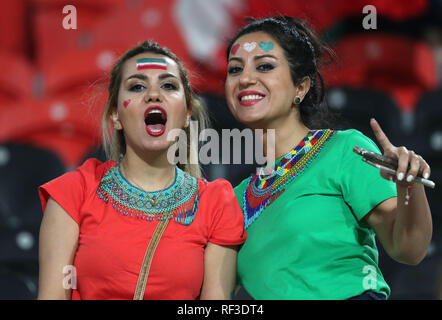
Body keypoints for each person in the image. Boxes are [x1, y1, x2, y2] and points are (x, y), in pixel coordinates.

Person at [224, 16, 433, 300]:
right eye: (235, 69)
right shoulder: (234, 198)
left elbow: (409, 249)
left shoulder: (344, 150)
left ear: (301, 87)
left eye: (264, 66)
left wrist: (409, 187)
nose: (245, 78)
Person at [37, 40, 246, 300]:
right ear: (115, 114)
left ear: (186, 113)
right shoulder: (73, 192)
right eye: (137, 86)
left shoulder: (216, 203)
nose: (154, 94)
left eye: (168, 85)